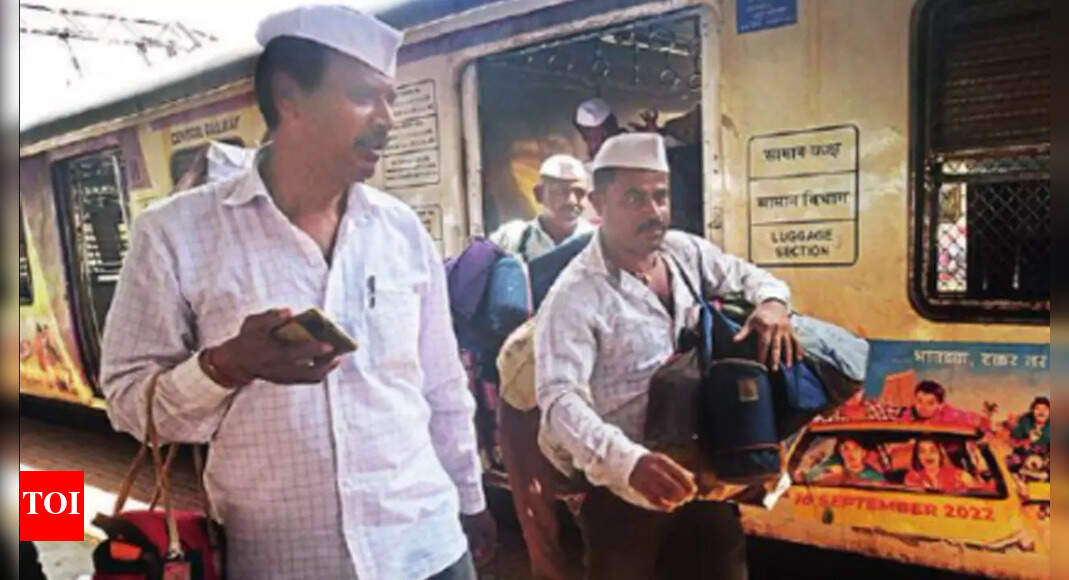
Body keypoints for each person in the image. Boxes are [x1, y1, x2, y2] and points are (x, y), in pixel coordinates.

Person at [100, 6, 495, 579]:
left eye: (391, 99)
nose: (387, 119)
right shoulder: (173, 235)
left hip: (426, 548)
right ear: (291, 98)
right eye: (364, 95)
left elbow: (439, 383)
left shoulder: (401, 229)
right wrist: (225, 366)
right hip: (286, 561)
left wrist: (470, 497)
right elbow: (130, 404)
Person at [536, 133, 797, 579]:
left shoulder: (683, 252)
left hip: (705, 480)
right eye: (634, 198)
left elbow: (750, 277)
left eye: (660, 197)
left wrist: (773, 303)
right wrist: (628, 463)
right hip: (625, 497)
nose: (653, 211)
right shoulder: (574, 295)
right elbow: (560, 400)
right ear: (599, 203)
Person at [489, 154, 594, 262]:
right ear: (539, 194)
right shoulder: (512, 238)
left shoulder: (598, 243)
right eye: (560, 191)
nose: (571, 201)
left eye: (579, 193)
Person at [803, 437, 885, 486]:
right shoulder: (829, 469)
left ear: (863, 453)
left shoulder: (875, 477)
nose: (851, 453)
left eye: (855, 449)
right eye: (846, 449)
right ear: (841, 452)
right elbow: (806, 479)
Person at [904, 438, 977, 492]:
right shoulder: (912, 477)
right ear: (917, 456)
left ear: (940, 453)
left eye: (932, 450)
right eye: (922, 451)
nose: (928, 455)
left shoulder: (960, 476)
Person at [899, 380, 980, 428]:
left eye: (930, 403)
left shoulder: (950, 415)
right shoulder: (909, 413)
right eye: (919, 401)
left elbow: (978, 420)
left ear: (940, 405)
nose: (923, 407)